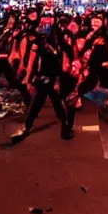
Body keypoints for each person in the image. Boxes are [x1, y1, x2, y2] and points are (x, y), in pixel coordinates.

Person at [11, 14, 71, 144]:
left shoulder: (58, 37)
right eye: (43, 21)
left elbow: (65, 53)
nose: (46, 24)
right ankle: (27, 126)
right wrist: (28, 77)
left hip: (55, 75)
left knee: (56, 102)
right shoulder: (38, 39)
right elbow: (33, 56)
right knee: (38, 103)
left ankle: (65, 124)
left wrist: (61, 75)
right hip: (43, 76)